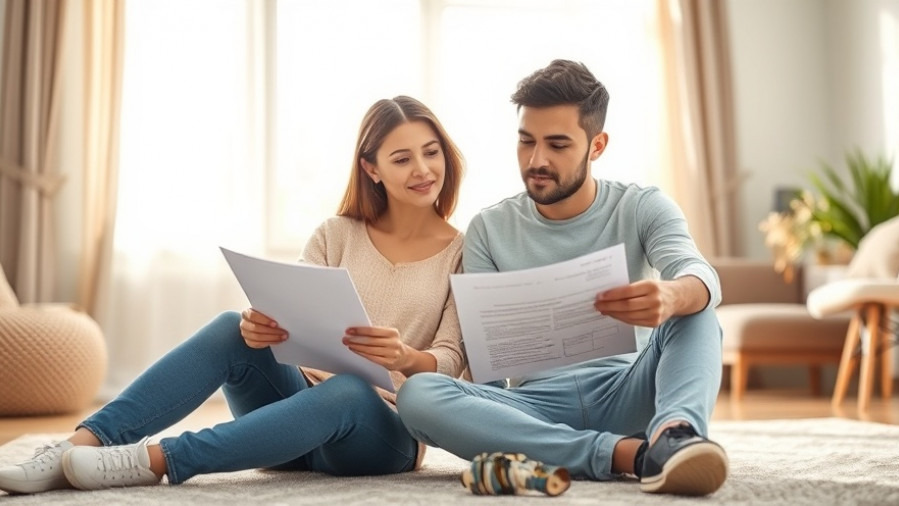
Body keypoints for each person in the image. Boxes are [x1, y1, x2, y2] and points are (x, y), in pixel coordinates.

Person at [0, 96, 467, 494]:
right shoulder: (336, 233)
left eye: (431, 153)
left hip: (378, 433)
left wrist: (405, 356)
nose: (423, 170)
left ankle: (155, 461)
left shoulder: (461, 252)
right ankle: (72, 451)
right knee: (230, 326)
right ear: (372, 169)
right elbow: (296, 314)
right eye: (402, 159)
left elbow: (452, 358)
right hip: (290, 421)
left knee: (348, 391)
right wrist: (262, 327)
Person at [397, 60, 729, 497]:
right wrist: (487, 415)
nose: (537, 160)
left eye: (557, 144)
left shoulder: (642, 206)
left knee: (698, 307)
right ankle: (630, 456)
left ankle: (676, 435)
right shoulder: (489, 229)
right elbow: (489, 377)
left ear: (597, 146)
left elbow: (699, 272)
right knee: (418, 395)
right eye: (525, 141)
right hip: (533, 409)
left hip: (626, 390)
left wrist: (672, 295)